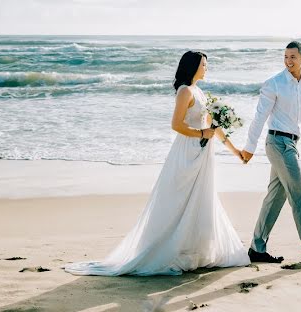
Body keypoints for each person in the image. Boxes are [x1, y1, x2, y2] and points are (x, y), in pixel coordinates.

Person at [64, 50, 250, 275]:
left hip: (203, 155)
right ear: (193, 67)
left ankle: (194, 252)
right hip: (186, 152)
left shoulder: (200, 92)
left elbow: (214, 127)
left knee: (202, 199)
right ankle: (171, 250)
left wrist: (235, 150)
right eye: (203, 64)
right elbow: (177, 125)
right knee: (179, 201)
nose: (206, 68)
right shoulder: (185, 91)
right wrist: (202, 133)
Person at [240, 40, 301, 268]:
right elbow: (260, 116)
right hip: (277, 143)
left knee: (276, 196)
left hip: (292, 144)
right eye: (285, 57)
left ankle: (257, 248)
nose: (288, 61)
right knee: (299, 193)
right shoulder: (274, 83)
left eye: (293, 56)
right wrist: (249, 148)